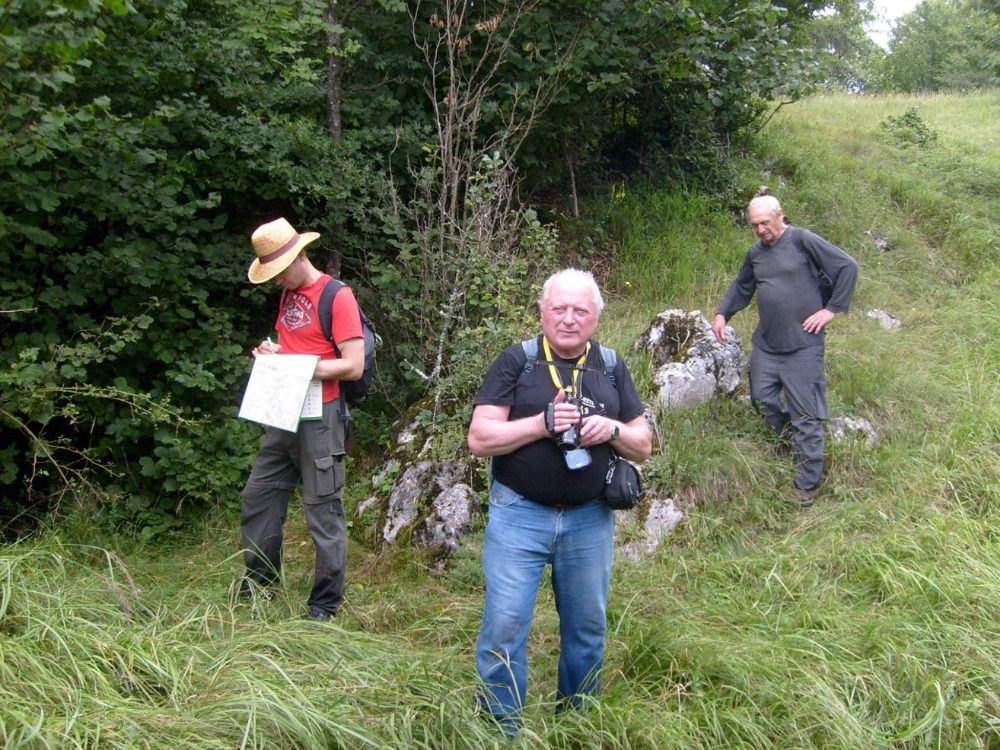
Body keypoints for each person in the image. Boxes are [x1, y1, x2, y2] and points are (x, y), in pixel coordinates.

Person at [468, 268, 652, 732]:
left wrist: (610, 430)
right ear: (543, 311)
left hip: (590, 521)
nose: (569, 319)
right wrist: (541, 424)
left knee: (587, 630)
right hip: (519, 515)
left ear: (595, 318)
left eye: (580, 311)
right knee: (505, 627)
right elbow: (480, 438)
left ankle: (578, 727)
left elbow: (643, 444)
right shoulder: (517, 362)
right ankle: (499, 729)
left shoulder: (611, 365)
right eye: (559, 309)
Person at [239, 217, 365, 620]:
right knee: (258, 497)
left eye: (278, 271)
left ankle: (325, 605)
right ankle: (260, 587)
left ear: (299, 255)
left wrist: (299, 367)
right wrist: (272, 353)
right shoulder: (289, 294)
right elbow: (295, 345)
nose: (276, 281)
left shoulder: (337, 296)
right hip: (283, 410)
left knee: (322, 510)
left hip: (322, 415)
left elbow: (354, 366)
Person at [712, 196, 858, 506]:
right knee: (762, 399)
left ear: (780, 216)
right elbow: (742, 286)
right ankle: (788, 439)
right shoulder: (756, 254)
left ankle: (807, 483)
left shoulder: (802, 240)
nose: (760, 230)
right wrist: (723, 314)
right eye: (754, 225)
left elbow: (847, 266)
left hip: (804, 346)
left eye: (765, 222)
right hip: (767, 344)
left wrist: (831, 310)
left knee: (807, 415)